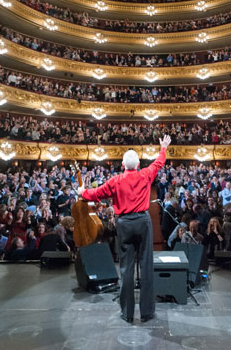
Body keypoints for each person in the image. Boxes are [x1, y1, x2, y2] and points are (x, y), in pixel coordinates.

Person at [78, 134, 171, 324]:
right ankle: (147, 313)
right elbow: (158, 163)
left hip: (124, 224)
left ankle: (127, 313)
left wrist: (82, 192)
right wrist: (163, 147)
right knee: (146, 266)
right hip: (143, 222)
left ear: (123, 164)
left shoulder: (116, 181)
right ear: (137, 165)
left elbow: (95, 194)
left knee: (126, 268)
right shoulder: (145, 174)